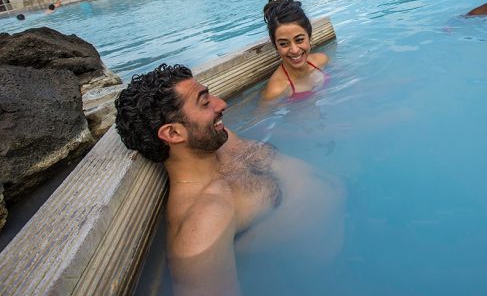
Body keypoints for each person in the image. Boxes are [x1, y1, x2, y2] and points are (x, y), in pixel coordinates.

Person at [115, 64, 343, 295]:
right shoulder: (201, 226)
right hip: (332, 273)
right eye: (205, 102)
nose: (222, 103)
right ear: (173, 134)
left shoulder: (217, 140)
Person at [262, 0, 329, 100]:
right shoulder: (276, 90)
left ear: (309, 36)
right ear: (275, 45)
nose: (294, 50)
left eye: (299, 40)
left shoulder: (322, 60)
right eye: (284, 44)